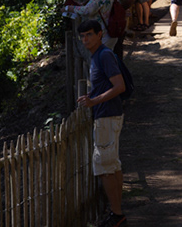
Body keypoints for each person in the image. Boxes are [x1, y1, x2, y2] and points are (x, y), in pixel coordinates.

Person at [77, 18, 127, 227]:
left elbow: (119, 86)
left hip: (107, 115)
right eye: (82, 36)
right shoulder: (97, 56)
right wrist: (94, 95)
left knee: (105, 166)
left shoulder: (104, 55)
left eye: (89, 34)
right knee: (112, 164)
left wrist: (94, 101)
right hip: (107, 114)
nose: (85, 39)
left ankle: (117, 215)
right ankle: (117, 212)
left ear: (99, 34)